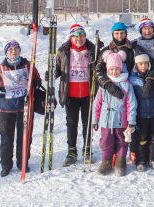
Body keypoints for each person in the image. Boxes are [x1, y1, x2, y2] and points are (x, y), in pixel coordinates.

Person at [0, 40, 41, 177]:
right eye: (10, 49)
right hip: (5, 109)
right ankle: (6, 165)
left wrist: (35, 84)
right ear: (6, 52)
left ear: (20, 50)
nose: (13, 51)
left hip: (24, 107)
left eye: (16, 48)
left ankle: (22, 163)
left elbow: (37, 81)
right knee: (6, 139)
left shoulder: (28, 65)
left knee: (24, 137)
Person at [54, 23, 98, 167]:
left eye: (82, 35)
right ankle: (71, 151)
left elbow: (98, 68)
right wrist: (51, 74)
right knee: (71, 123)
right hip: (70, 93)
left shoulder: (92, 50)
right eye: (76, 36)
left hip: (87, 93)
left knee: (87, 123)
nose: (79, 38)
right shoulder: (63, 51)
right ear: (71, 37)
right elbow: (58, 69)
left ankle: (87, 149)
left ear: (85, 36)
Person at [92, 51, 137, 176]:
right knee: (106, 141)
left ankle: (120, 161)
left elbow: (131, 104)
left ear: (121, 68)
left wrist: (131, 121)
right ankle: (106, 161)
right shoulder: (104, 86)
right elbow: (97, 103)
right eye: (111, 69)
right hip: (105, 121)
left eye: (117, 69)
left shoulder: (127, 85)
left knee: (122, 141)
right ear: (108, 69)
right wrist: (95, 120)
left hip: (121, 120)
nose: (114, 72)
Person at [129, 52, 154, 171]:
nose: (143, 66)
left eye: (145, 63)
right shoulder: (132, 79)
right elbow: (129, 98)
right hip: (140, 114)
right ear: (136, 65)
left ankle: (153, 159)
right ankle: (141, 160)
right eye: (140, 64)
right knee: (142, 137)